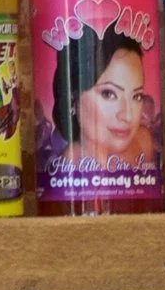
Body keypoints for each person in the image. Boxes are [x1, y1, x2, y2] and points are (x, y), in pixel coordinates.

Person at [51, 19, 158, 177]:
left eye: (137, 96)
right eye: (108, 94)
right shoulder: (67, 164)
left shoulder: (144, 142)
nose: (127, 115)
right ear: (73, 99)